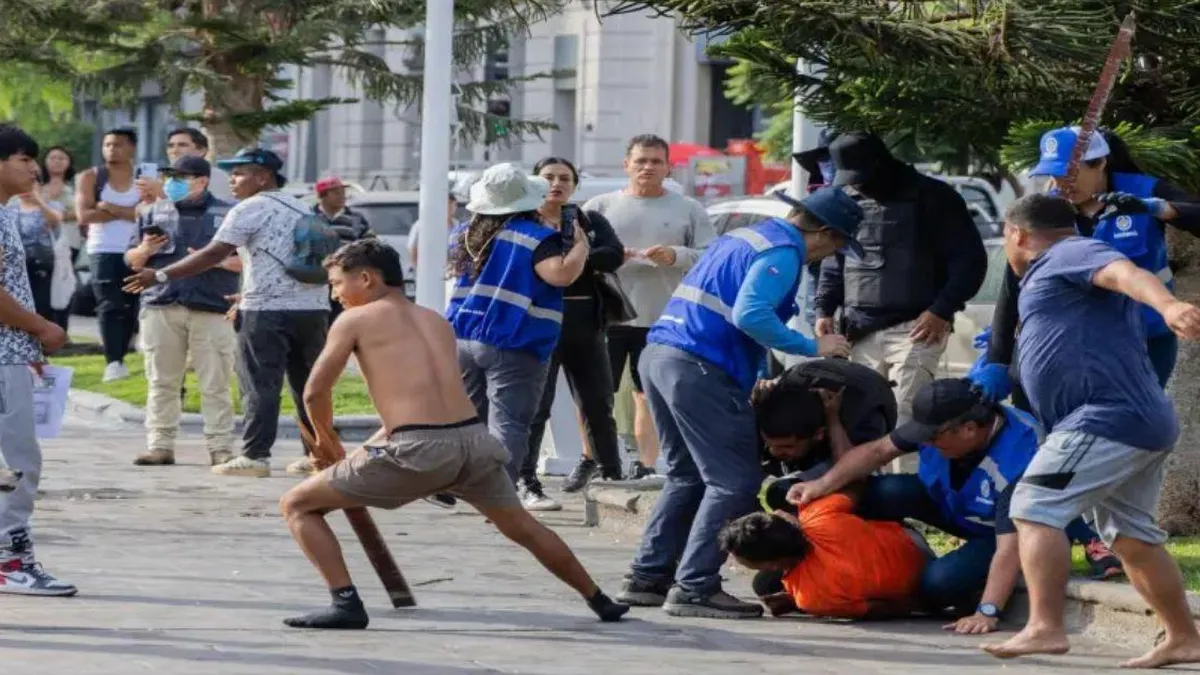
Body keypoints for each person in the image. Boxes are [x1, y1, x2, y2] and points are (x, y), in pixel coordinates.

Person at [277, 239, 629, 629]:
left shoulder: (355, 320)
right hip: (474, 441)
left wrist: (327, 444)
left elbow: (314, 391)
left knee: (298, 505)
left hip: (421, 451)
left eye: (337, 283)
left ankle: (345, 604)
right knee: (523, 527)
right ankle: (599, 599)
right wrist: (365, 447)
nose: (335, 294)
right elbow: (419, 410)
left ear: (366, 278)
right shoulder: (435, 320)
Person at [975, 194, 1200, 669]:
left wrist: (1168, 306)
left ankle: (1045, 626)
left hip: (1107, 417)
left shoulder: (1069, 252)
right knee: (1131, 536)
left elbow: (1126, 273)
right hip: (1131, 419)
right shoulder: (1054, 273)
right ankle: (1184, 637)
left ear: (1015, 233)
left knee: (1034, 507)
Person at [615, 187, 860, 619]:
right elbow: (750, 315)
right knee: (733, 480)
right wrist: (813, 346)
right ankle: (695, 587)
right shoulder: (785, 253)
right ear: (823, 232)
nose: (832, 254)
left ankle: (648, 578)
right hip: (698, 365)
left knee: (686, 475)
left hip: (662, 355)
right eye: (839, 244)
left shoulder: (747, 236)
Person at [788, 377, 1114, 631]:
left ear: (970, 429)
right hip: (949, 502)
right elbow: (876, 452)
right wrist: (819, 486)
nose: (925, 443)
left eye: (932, 439)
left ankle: (1068, 548)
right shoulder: (945, 419)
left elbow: (1008, 548)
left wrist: (988, 612)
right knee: (874, 492)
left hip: (997, 533)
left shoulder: (1021, 459)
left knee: (937, 585)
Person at [124, 148, 330, 479]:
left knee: (260, 384)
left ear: (263, 177)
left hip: (267, 311)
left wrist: (160, 274)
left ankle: (255, 456)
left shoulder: (248, 208)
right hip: (312, 309)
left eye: (239, 173)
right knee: (307, 386)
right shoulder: (300, 205)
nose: (232, 180)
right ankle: (318, 455)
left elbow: (214, 253)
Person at [979, 127, 1200, 405]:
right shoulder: (1047, 209)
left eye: (1069, 173)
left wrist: (1159, 209)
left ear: (1101, 163)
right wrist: (997, 358)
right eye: (1054, 174)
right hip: (1074, 341)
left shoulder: (1144, 191)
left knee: (1130, 424)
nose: (1061, 183)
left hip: (1143, 339)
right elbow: (1014, 283)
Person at [815, 132, 987, 422]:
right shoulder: (847, 199)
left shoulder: (933, 196)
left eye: (860, 176)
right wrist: (824, 309)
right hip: (858, 330)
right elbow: (836, 260)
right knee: (862, 423)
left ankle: (910, 471)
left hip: (916, 328)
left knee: (905, 421)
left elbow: (970, 261)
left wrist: (941, 310)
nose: (856, 183)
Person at [447, 163, 589, 484]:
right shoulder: (537, 237)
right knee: (509, 423)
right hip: (514, 339)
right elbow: (561, 274)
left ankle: (466, 484)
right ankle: (500, 496)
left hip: (464, 336)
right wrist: (580, 245)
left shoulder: (464, 234)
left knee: (472, 419)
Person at [585, 134, 715, 481]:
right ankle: (594, 462)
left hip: (663, 319)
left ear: (668, 167)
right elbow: (576, 254)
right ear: (626, 164)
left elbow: (710, 255)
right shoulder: (599, 207)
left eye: (656, 161)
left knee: (650, 395)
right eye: (641, 160)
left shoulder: (688, 208)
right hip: (607, 316)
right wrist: (611, 257)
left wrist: (676, 255)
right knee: (597, 396)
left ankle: (647, 466)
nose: (648, 167)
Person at [520, 157, 626, 507]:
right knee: (537, 405)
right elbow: (526, 261)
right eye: (548, 177)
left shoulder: (588, 220)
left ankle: (611, 472)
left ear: (575, 185)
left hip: (585, 320)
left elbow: (613, 255)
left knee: (597, 400)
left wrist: (574, 258)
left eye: (565, 178)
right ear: (534, 183)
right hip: (539, 322)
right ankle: (526, 479)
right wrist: (569, 259)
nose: (556, 183)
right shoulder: (523, 221)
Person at [124, 156, 240, 468]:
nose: (172, 182)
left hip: (212, 306)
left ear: (201, 180)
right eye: (170, 176)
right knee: (161, 379)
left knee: (215, 382)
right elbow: (133, 260)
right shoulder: (152, 212)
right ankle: (159, 444)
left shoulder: (229, 214)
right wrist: (145, 250)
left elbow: (245, 262)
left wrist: (209, 259)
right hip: (162, 304)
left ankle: (221, 447)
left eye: (180, 177)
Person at [0, 124, 74, 596]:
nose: (34, 167)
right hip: (5, 353)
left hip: (12, 353)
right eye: (24, 158)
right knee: (18, 462)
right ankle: (11, 559)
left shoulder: (8, 212)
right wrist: (41, 328)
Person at [720, 495, 929, 620]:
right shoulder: (817, 515)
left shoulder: (812, 598)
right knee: (764, 585)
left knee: (765, 587)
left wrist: (800, 603)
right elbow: (855, 488)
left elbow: (879, 609)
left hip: (924, 585)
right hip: (911, 540)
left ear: (771, 563)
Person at [752, 357, 897, 510]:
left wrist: (833, 418)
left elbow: (849, 472)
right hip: (809, 388)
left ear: (818, 434)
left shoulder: (863, 421)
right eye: (771, 445)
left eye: (787, 446)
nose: (776, 452)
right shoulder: (776, 398)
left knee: (787, 493)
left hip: (867, 403)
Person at [76, 128, 142, 382]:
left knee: (134, 304)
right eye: (107, 145)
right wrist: (130, 211)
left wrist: (109, 207)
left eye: (118, 145)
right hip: (103, 248)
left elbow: (148, 211)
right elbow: (85, 216)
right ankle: (114, 361)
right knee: (110, 304)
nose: (111, 149)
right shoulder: (91, 176)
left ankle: (132, 349)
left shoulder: (143, 176)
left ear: (131, 148)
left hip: (138, 249)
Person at [313, 176, 373, 322]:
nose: (342, 197)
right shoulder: (308, 217)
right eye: (336, 193)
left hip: (346, 280)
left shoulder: (356, 219)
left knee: (344, 318)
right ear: (322, 196)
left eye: (343, 193)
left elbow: (370, 244)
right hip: (314, 282)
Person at [135, 128, 234, 202]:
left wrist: (162, 193)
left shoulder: (218, 177)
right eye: (171, 146)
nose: (174, 151)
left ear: (201, 151)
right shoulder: (161, 176)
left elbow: (213, 213)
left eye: (182, 145)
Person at [39, 146, 77, 331]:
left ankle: (62, 330)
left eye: (62, 158)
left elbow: (81, 212)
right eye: (53, 157)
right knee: (43, 287)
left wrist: (59, 215)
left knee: (65, 284)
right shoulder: (34, 186)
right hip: (40, 244)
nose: (57, 161)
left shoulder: (76, 187)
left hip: (69, 242)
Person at [14, 185, 65, 321]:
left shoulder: (53, 205)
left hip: (44, 264)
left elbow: (55, 221)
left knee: (42, 307)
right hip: (18, 265)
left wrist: (39, 202)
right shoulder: (11, 208)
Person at [407, 186, 458, 272]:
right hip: (429, 273)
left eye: (453, 204)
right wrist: (419, 271)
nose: (450, 207)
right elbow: (413, 248)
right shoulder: (422, 225)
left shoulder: (457, 224)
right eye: (447, 203)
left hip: (450, 274)